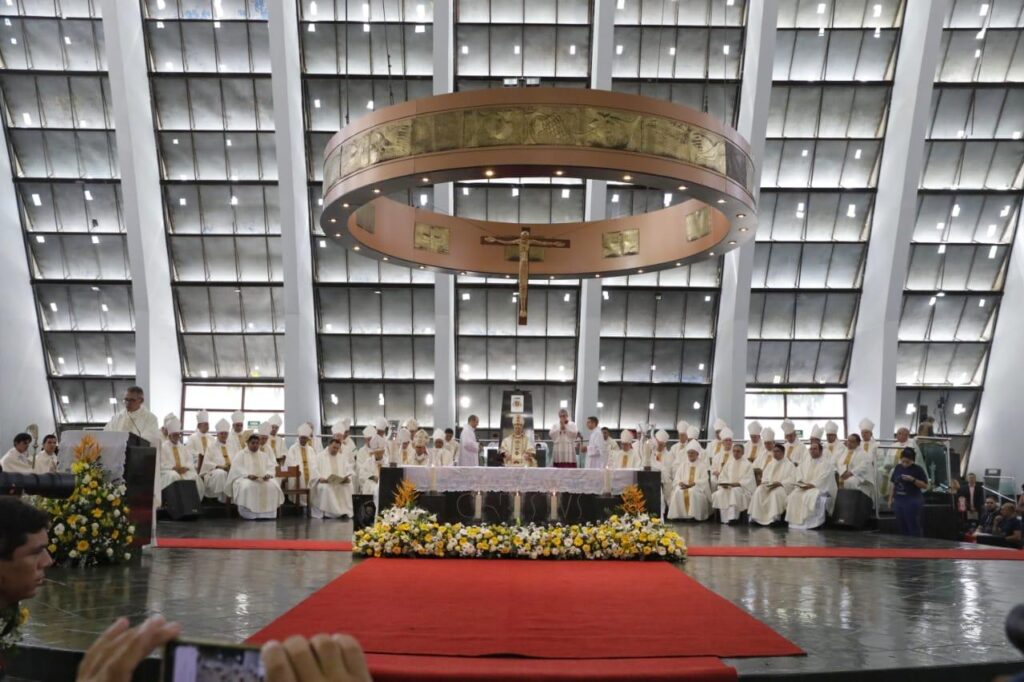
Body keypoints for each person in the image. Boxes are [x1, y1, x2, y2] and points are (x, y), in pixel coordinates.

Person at [227, 433, 284, 520]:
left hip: (262, 479)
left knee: (273, 486)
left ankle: (268, 514)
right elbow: (236, 468)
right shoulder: (241, 454)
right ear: (248, 443)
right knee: (248, 486)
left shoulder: (263, 455)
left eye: (257, 443)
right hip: (244, 478)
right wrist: (247, 475)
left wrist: (268, 474)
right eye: (253, 443)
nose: (255, 445)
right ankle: (250, 514)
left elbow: (270, 467)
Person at [785, 440, 838, 530]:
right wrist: (801, 483)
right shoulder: (805, 462)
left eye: (815, 449)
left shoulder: (826, 464)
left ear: (820, 451)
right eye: (811, 449)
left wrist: (812, 485)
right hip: (805, 487)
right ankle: (796, 522)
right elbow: (799, 473)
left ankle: (809, 522)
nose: (812, 451)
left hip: (819, 488)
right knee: (794, 495)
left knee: (809, 496)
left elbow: (824, 478)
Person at [749, 443, 797, 526]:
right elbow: (765, 477)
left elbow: (792, 479)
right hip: (769, 486)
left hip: (782, 488)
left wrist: (780, 483)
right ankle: (756, 518)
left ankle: (774, 519)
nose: (775, 453)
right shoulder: (770, 464)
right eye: (774, 451)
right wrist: (765, 483)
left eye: (777, 451)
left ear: (783, 452)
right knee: (758, 491)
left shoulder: (789, 465)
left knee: (775, 493)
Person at [887, 447, 929, 537]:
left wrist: (913, 480)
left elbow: (925, 485)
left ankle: (916, 545)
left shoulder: (918, 469)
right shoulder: (898, 468)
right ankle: (904, 545)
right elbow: (893, 484)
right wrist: (890, 499)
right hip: (899, 500)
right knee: (901, 525)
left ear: (912, 460)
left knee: (913, 524)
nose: (905, 464)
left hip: (912, 500)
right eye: (903, 461)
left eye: (907, 462)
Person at [711, 443, 756, 524]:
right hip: (729, 487)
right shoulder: (729, 463)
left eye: (738, 451)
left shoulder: (747, 464)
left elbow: (749, 479)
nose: (735, 453)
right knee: (720, 493)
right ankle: (724, 519)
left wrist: (738, 484)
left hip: (742, 489)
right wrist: (724, 484)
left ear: (743, 452)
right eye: (734, 451)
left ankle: (733, 518)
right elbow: (722, 476)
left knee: (734, 492)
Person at [159, 418, 204, 499]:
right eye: (174, 435)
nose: (177, 437)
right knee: (174, 476)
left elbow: (189, 460)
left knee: (194, 477)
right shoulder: (163, 447)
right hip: (168, 471)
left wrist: (186, 468)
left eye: (178, 434)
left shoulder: (183, 447)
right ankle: (173, 500)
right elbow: (161, 463)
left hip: (183, 471)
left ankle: (191, 501)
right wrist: (173, 468)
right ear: (169, 435)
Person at [667, 443, 712, 521]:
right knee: (678, 491)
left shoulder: (702, 466)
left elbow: (704, 480)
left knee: (691, 491)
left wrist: (693, 483)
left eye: (692, 453)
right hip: (683, 486)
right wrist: (680, 483)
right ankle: (679, 516)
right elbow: (677, 477)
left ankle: (692, 516)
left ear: (697, 454)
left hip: (697, 487)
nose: (690, 454)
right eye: (689, 453)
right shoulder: (683, 465)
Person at [312, 435, 354, 519]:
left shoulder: (342, 457)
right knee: (328, 488)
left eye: (337, 448)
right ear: (329, 445)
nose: (335, 450)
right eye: (334, 447)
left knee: (347, 487)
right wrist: (320, 478)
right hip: (325, 482)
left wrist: (347, 478)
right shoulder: (319, 456)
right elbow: (314, 469)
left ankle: (344, 511)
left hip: (339, 482)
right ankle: (330, 513)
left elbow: (348, 469)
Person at [283, 424, 320, 511]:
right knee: (301, 476)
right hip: (297, 473)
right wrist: (298, 470)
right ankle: (298, 503)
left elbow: (314, 463)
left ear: (308, 439)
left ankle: (310, 502)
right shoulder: (293, 448)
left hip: (310, 472)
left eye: (305, 438)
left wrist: (313, 470)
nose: (303, 440)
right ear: (299, 437)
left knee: (314, 477)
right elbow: (290, 462)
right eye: (302, 438)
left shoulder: (310, 449)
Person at [836, 433, 874, 504]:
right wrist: (842, 473)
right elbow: (839, 464)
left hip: (858, 476)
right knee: (834, 481)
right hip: (844, 475)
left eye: (852, 442)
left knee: (850, 482)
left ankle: (853, 503)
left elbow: (864, 466)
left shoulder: (863, 453)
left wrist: (850, 473)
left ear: (858, 443)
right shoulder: (845, 452)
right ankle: (841, 505)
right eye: (848, 441)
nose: (849, 443)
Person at [200, 419, 234, 500]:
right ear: (217, 434)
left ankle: (232, 499)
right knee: (221, 473)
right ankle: (219, 498)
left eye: (225, 433)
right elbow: (207, 462)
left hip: (231, 470)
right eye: (221, 433)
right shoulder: (211, 447)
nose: (223, 435)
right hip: (214, 471)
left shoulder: (232, 446)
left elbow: (237, 460)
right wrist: (219, 466)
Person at [357, 425, 385, 497]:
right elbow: (362, 474)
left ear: (383, 452)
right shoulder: (368, 462)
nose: (378, 454)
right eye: (376, 452)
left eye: (380, 452)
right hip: (371, 486)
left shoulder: (387, 462)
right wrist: (373, 477)